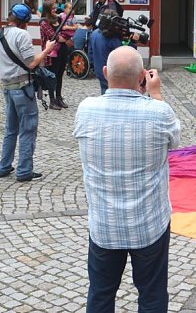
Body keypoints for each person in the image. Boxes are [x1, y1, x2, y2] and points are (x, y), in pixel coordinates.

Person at [74, 46, 180, 313]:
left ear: (105, 72)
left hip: (104, 224)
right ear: (143, 75)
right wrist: (155, 95)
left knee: (100, 292)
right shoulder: (159, 112)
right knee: (152, 294)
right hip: (149, 224)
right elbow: (175, 142)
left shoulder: (86, 109)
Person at [0, 3, 56, 183]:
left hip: (7, 86)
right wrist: (47, 49)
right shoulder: (22, 35)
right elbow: (31, 63)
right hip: (23, 87)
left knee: (10, 129)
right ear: (25, 21)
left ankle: (4, 166)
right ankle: (24, 170)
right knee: (28, 129)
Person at [39, 1, 74, 109]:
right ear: (47, 9)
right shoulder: (44, 23)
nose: (55, 10)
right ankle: (52, 100)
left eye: (55, 8)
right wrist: (65, 39)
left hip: (62, 50)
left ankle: (59, 98)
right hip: (51, 52)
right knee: (52, 76)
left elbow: (66, 30)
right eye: (53, 8)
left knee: (60, 75)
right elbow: (55, 36)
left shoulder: (58, 19)